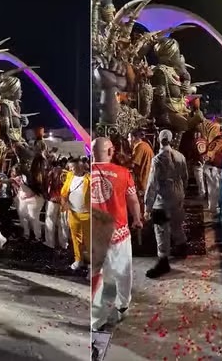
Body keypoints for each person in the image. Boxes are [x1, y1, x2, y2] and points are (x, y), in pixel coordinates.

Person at [90, 137, 141, 331]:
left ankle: (96, 321)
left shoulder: (86, 173)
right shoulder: (123, 173)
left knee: (97, 277)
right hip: (118, 235)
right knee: (122, 272)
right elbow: (133, 200)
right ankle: (122, 305)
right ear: (111, 152)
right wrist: (137, 219)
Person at [143, 129, 188, 278]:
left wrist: (147, 207)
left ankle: (163, 261)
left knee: (161, 230)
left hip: (162, 200)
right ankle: (182, 247)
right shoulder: (180, 156)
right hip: (178, 195)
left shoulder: (157, 159)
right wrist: (181, 192)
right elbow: (185, 177)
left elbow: (152, 185)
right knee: (177, 223)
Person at [62, 157, 90, 271]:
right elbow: (64, 191)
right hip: (73, 212)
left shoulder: (90, 178)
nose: (71, 169)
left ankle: (91, 263)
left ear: (80, 167)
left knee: (89, 240)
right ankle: (78, 259)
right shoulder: (69, 176)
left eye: (73, 167)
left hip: (87, 214)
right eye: (70, 167)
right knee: (75, 238)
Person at [44, 158, 69, 250]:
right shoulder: (68, 174)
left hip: (53, 199)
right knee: (63, 223)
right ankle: (64, 244)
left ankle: (50, 242)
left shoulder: (51, 172)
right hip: (64, 201)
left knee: (50, 221)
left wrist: (47, 196)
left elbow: (47, 185)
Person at [129, 130, 153, 203]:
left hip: (143, 182)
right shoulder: (145, 145)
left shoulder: (140, 146)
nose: (128, 139)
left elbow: (133, 164)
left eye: (128, 137)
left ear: (133, 137)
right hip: (147, 180)